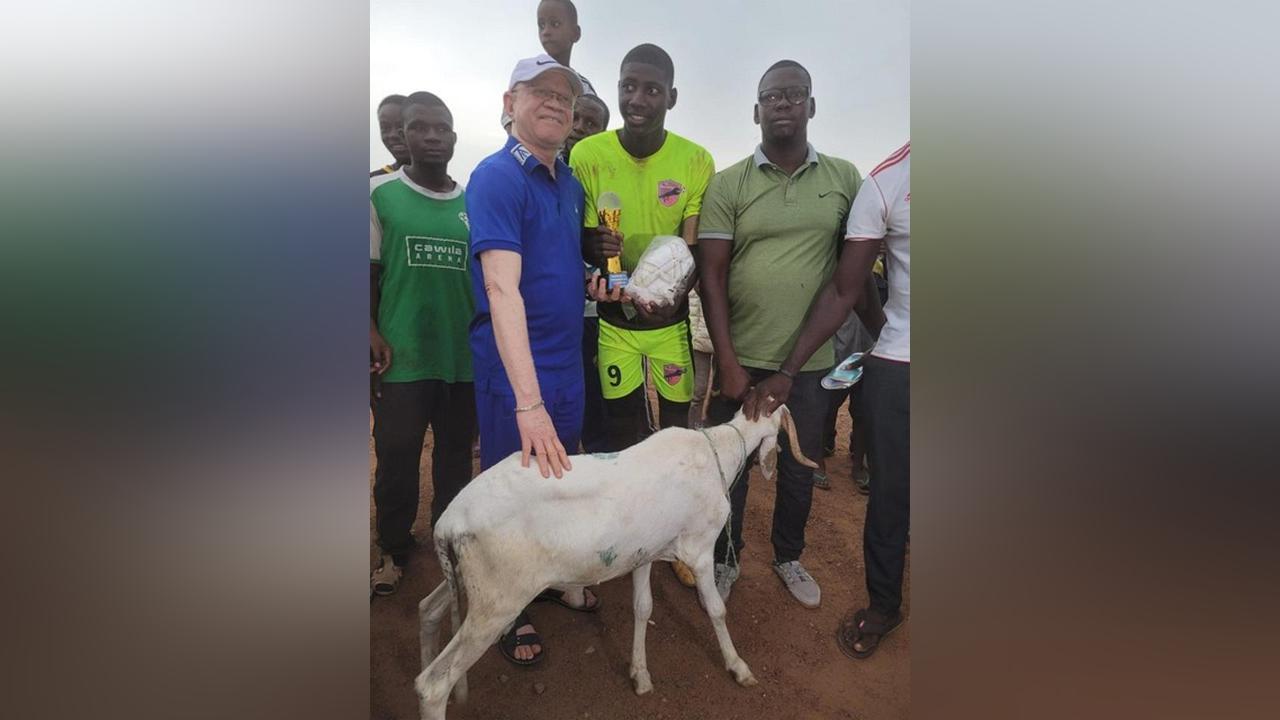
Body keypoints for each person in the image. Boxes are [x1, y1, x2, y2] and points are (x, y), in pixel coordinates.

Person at [465, 54, 620, 665]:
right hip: (516, 373)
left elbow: (553, 263)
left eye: (566, 96)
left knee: (556, 478)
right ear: (510, 103)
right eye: (541, 92)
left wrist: (592, 282)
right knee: (511, 489)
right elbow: (501, 289)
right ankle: (506, 606)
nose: (557, 103)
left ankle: (548, 577)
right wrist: (527, 403)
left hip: (565, 363)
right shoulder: (497, 176)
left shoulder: (570, 183)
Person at [698, 60, 862, 609]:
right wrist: (728, 361)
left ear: (811, 105)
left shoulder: (844, 179)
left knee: (800, 465)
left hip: (810, 365)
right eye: (772, 96)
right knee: (731, 468)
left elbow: (853, 274)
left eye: (794, 94)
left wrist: (881, 336)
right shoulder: (728, 183)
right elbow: (712, 275)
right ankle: (726, 557)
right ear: (756, 111)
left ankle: (788, 555)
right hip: (743, 359)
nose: (783, 103)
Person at [741, 141, 910, 659]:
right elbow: (844, 289)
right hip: (903, 362)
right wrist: (789, 371)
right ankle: (884, 605)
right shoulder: (886, 182)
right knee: (892, 495)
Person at [571, 43, 714, 589]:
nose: (637, 99)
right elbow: (585, 239)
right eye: (628, 86)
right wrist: (591, 248)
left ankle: (675, 534)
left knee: (677, 431)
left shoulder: (695, 160)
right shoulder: (589, 156)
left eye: (652, 89)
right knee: (623, 428)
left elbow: (691, 247)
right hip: (614, 325)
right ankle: (631, 531)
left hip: (668, 326)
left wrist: (674, 294)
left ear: (671, 97)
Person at [368, 92, 476, 596]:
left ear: (454, 138)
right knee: (397, 455)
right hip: (402, 356)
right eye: (420, 127)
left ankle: (448, 540)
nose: (432, 137)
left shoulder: (473, 202)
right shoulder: (379, 195)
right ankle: (392, 548)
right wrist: (368, 331)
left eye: (441, 128)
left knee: (455, 456)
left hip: (462, 357)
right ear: (403, 135)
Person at [565, 93, 612, 452]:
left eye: (591, 123)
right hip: (552, 315)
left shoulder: (608, 181)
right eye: (575, 117)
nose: (579, 128)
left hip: (598, 314)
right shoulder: (543, 175)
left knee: (598, 403)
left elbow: (618, 249)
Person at [370, 94, 410, 177]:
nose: (393, 135)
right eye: (385, 128)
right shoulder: (374, 181)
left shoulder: (437, 180)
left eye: (401, 126)